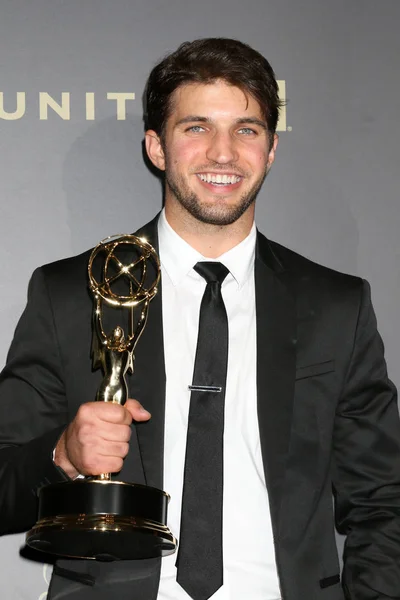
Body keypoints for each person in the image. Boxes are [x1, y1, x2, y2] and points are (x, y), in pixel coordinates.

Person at [0, 37, 399, 600]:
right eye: (196, 127)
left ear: (271, 149)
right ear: (156, 148)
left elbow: (383, 500)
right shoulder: (71, 293)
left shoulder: (337, 305)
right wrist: (61, 454)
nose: (223, 153)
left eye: (247, 129)